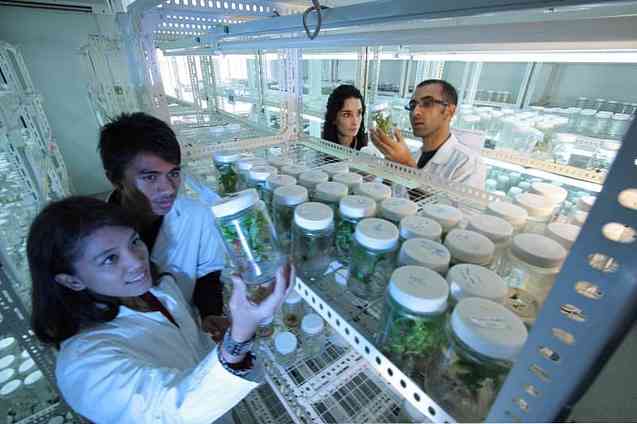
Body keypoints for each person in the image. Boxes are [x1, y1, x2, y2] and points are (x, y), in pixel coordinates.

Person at [27, 196, 292, 423]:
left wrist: (218, 336)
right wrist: (238, 338)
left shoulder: (153, 290)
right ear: (72, 280)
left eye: (133, 242)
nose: (136, 262)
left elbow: (185, 351)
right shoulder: (83, 367)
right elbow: (173, 412)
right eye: (110, 258)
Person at [98, 112, 225, 322]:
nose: (168, 189)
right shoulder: (92, 238)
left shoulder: (197, 215)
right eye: (150, 177)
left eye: (173, 173)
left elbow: (207, 275)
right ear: (115, 179)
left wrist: (210, 314)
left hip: (187, 328)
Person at [370, 79, 486, 190]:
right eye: (412, 105)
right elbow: (394, 197)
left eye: (427, 104)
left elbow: (443, 204)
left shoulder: (469, 164)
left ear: (449, 111)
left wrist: (407, 166)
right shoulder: (413, 156)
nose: (415, 112)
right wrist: (390, 169)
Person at [322, 84, 368, 150]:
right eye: (347, 115)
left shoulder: (367, 149)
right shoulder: (321, 147)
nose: (355, 122)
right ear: (333, 118)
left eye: (359, 113)